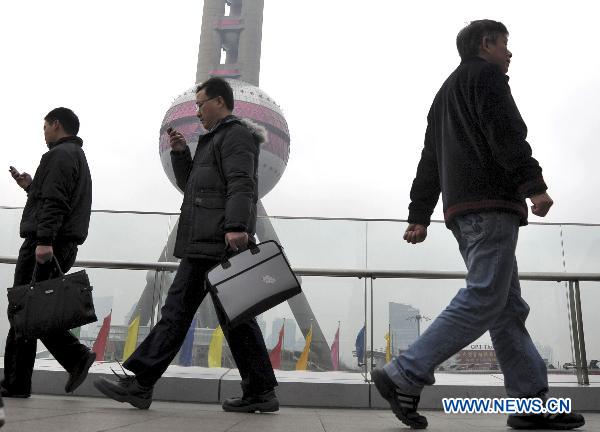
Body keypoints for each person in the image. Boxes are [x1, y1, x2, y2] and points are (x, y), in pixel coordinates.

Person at [371, 20, 585, 430]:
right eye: (505, 44)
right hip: (491, 205)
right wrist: (533, 185)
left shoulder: (443, 95)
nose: (510, 53)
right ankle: (405, 372)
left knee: (506, 309)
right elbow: (505, 133)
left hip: (463, 212)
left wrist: (420, 214)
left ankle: (530, 405)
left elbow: (429, 161)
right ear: (486, 44)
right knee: (487, 295)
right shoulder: (487, 76)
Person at [93, 77, 279, 413]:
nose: (197, 111)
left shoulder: (235, 135)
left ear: (219, 102)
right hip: (205, 241)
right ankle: (261, 391)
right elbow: (193, 187)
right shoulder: (213, 140)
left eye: (201, 103)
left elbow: (242, 182)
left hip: (216, 242)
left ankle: (141, 383)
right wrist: (181, 154)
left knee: (177, 313)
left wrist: (237, 225)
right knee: (234, 319)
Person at [3, 107, 96, 399]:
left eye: (45, 126)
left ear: (56, 125)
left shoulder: (59, 155)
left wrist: (43, 241)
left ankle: (75, 357)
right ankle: (17, 382)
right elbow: (51, 198)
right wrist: (31, 187)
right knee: (29, 311)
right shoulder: (75, 156)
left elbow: (55, 202)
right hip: (58, 241)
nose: (43, 132)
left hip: (46, 243)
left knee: (26, 311)